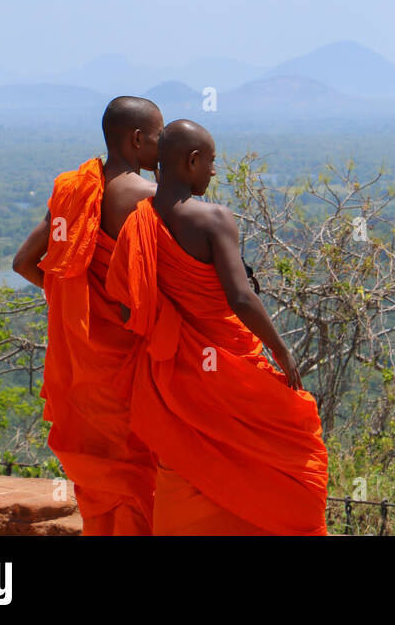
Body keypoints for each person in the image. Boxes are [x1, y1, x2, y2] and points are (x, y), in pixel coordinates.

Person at [107, 119, 328, 535]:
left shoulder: (138, 223)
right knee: (295, 445)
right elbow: (241, 298)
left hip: (175, 374)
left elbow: (126, 309)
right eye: (210, 162)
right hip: (226, 367)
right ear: (192, 162)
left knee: (186, 460)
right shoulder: (213, 218)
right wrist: (280, 349)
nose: (213, 172)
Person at [12, 95, 163, 535]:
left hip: (84, 365)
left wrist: (76, 300)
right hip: (129, 364)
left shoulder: (77, 189)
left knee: (107, 476)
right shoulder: (149, 197)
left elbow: (25, 262)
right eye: (159, 136)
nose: (164, 145)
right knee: (142, 472)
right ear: (138, 139)